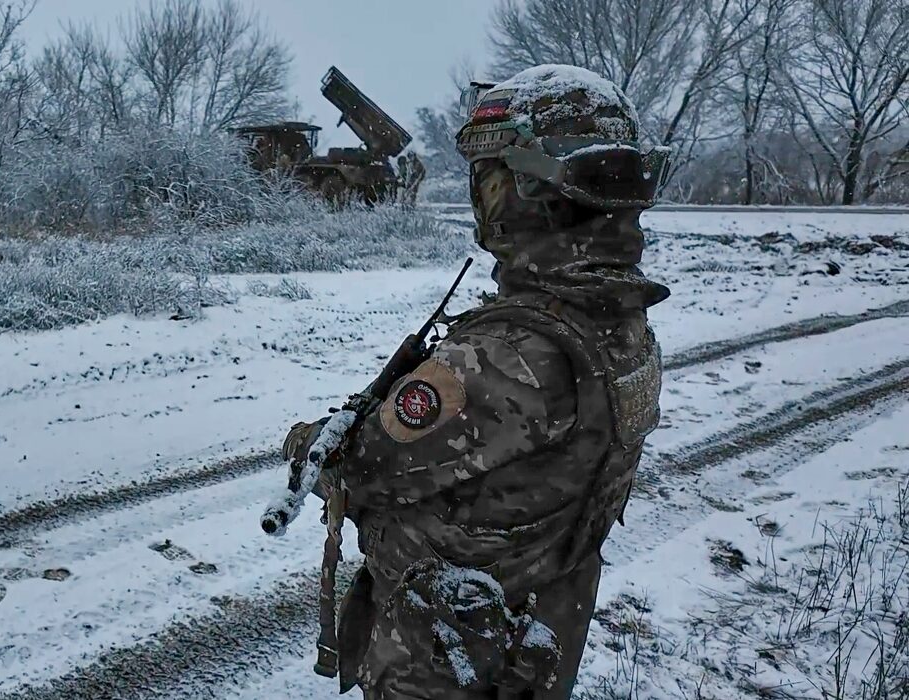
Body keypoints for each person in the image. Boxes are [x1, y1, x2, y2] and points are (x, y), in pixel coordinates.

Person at [283, 64, 671, 699]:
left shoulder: (509, 355)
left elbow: (359, 467)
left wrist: (306, 440)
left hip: (449, 659)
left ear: (523, 190)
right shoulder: (619, 321)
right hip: (537, 631)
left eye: (488, 178)